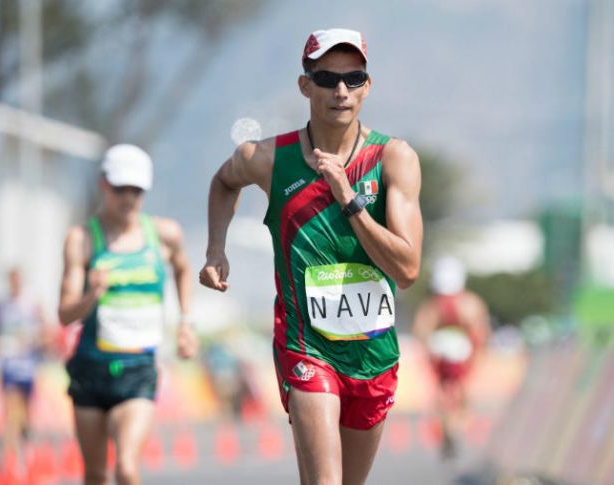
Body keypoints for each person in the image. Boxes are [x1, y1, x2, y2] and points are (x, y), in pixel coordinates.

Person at [200, 28, 423, 484]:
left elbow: (407, 269)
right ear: (305, 85)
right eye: (326, 79)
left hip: (372, 353)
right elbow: (224, 181)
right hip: (307, 347)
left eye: (353, 78)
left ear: (367, 85)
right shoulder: (267, 158)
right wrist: (215, 249)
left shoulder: (393, 158)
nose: (341, 91)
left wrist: (350, 199)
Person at [58, 143, 199, 485]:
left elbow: (182, 270)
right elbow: (64, 314)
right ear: (103, 184)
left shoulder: (165, 234)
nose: (128, 198)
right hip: (91, 368)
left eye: (136, 190)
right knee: (95, 474)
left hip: (138, 370)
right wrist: (91, 295)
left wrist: (185, 323)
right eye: (121, 188)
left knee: (126, 468)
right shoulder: (82, 240)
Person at [411, 256, 491, 460]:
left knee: (444, 395)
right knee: (459, 394)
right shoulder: (470, 304)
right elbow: (481, 334)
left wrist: (430, 353)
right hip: (459, 357)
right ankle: (455, 429)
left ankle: (451, 429)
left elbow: (421, 331)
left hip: (445, 357)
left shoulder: (434, 306)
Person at [0, 266, 53, 456]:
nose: (14, 283)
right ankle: (10, 448)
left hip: (28, 366)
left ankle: (24, 436)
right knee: (12, 409)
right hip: (9, 365)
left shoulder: (33, 303)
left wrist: (36, 340)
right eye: (11, 279)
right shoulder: (1, 304)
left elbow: (47, 333)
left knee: (25, 413)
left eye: (17, 279)